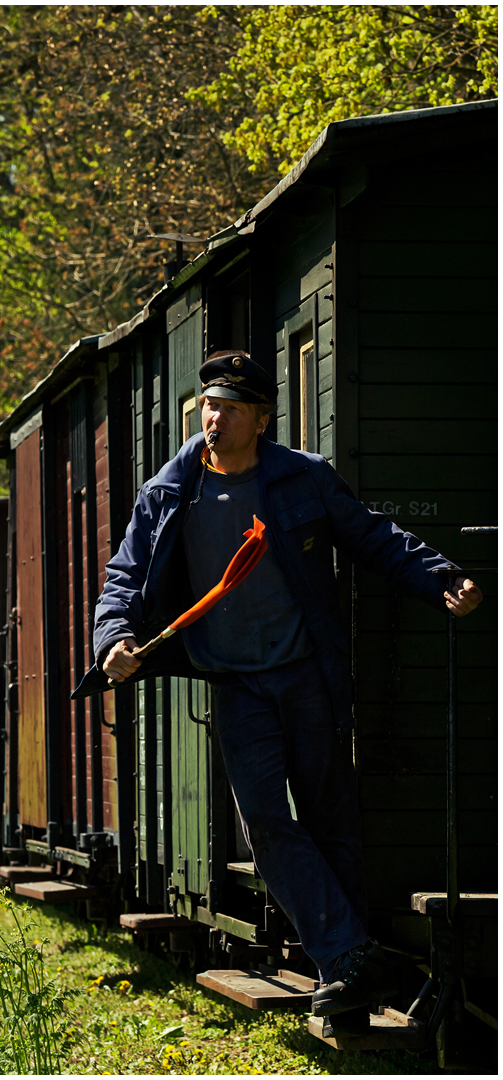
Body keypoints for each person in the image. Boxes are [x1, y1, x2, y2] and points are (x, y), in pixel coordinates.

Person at [93, 349, 482, 1027]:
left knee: (331, 823)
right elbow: (123, 576)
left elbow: (373, 539)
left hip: (307, 676)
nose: (214, 420)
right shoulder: (169, 490)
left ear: (260, 419)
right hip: (236, 684)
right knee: (267, 825)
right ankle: (354, 959)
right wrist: (112, 642)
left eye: (230, 409)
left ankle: (345, 981)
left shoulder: (302, 480)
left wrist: (440, 576)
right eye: (209, 406)